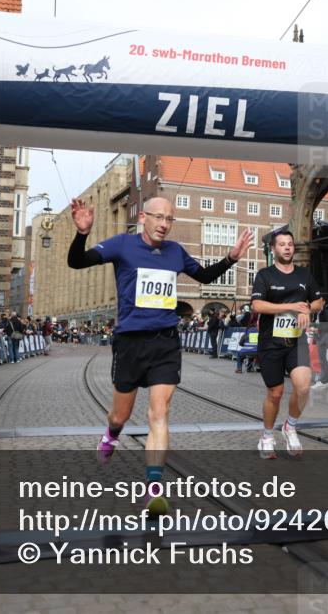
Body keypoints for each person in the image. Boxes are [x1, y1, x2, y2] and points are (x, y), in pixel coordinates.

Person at [67, 196, 252, 511]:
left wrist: (231, 258)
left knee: (159, 413)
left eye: (170, 219)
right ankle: (110, 436)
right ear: (143, 217)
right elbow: (77, 262)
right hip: (129, 343)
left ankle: (153, 488)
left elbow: (205, 276)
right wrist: (83, 233)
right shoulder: (122, 245)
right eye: (159, 217)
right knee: (120, 416)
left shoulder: (175, 252)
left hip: (165, 342)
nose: (164, 224)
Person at [250, 230, 323, 459]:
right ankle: (267, 436)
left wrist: (308, 309)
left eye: (290, 244)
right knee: (275, 392)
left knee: (303, 387)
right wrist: (290, 307)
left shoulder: (304, 274)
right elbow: (257, 306)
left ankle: (290, 426)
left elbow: (319, 300)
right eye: (282, 244)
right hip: (271, 341)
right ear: (273, 249)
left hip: (296, 340)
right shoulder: (265, 275)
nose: (287, 248)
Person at [310, 300, 328, 390]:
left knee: (322, 358)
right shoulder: (319, 312)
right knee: (322, 358)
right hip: (320, 336)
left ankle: (324, 380)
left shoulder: (326, 311)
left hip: (324, 336)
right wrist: (313, 326)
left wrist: (318, 329)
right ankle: (327, 379)